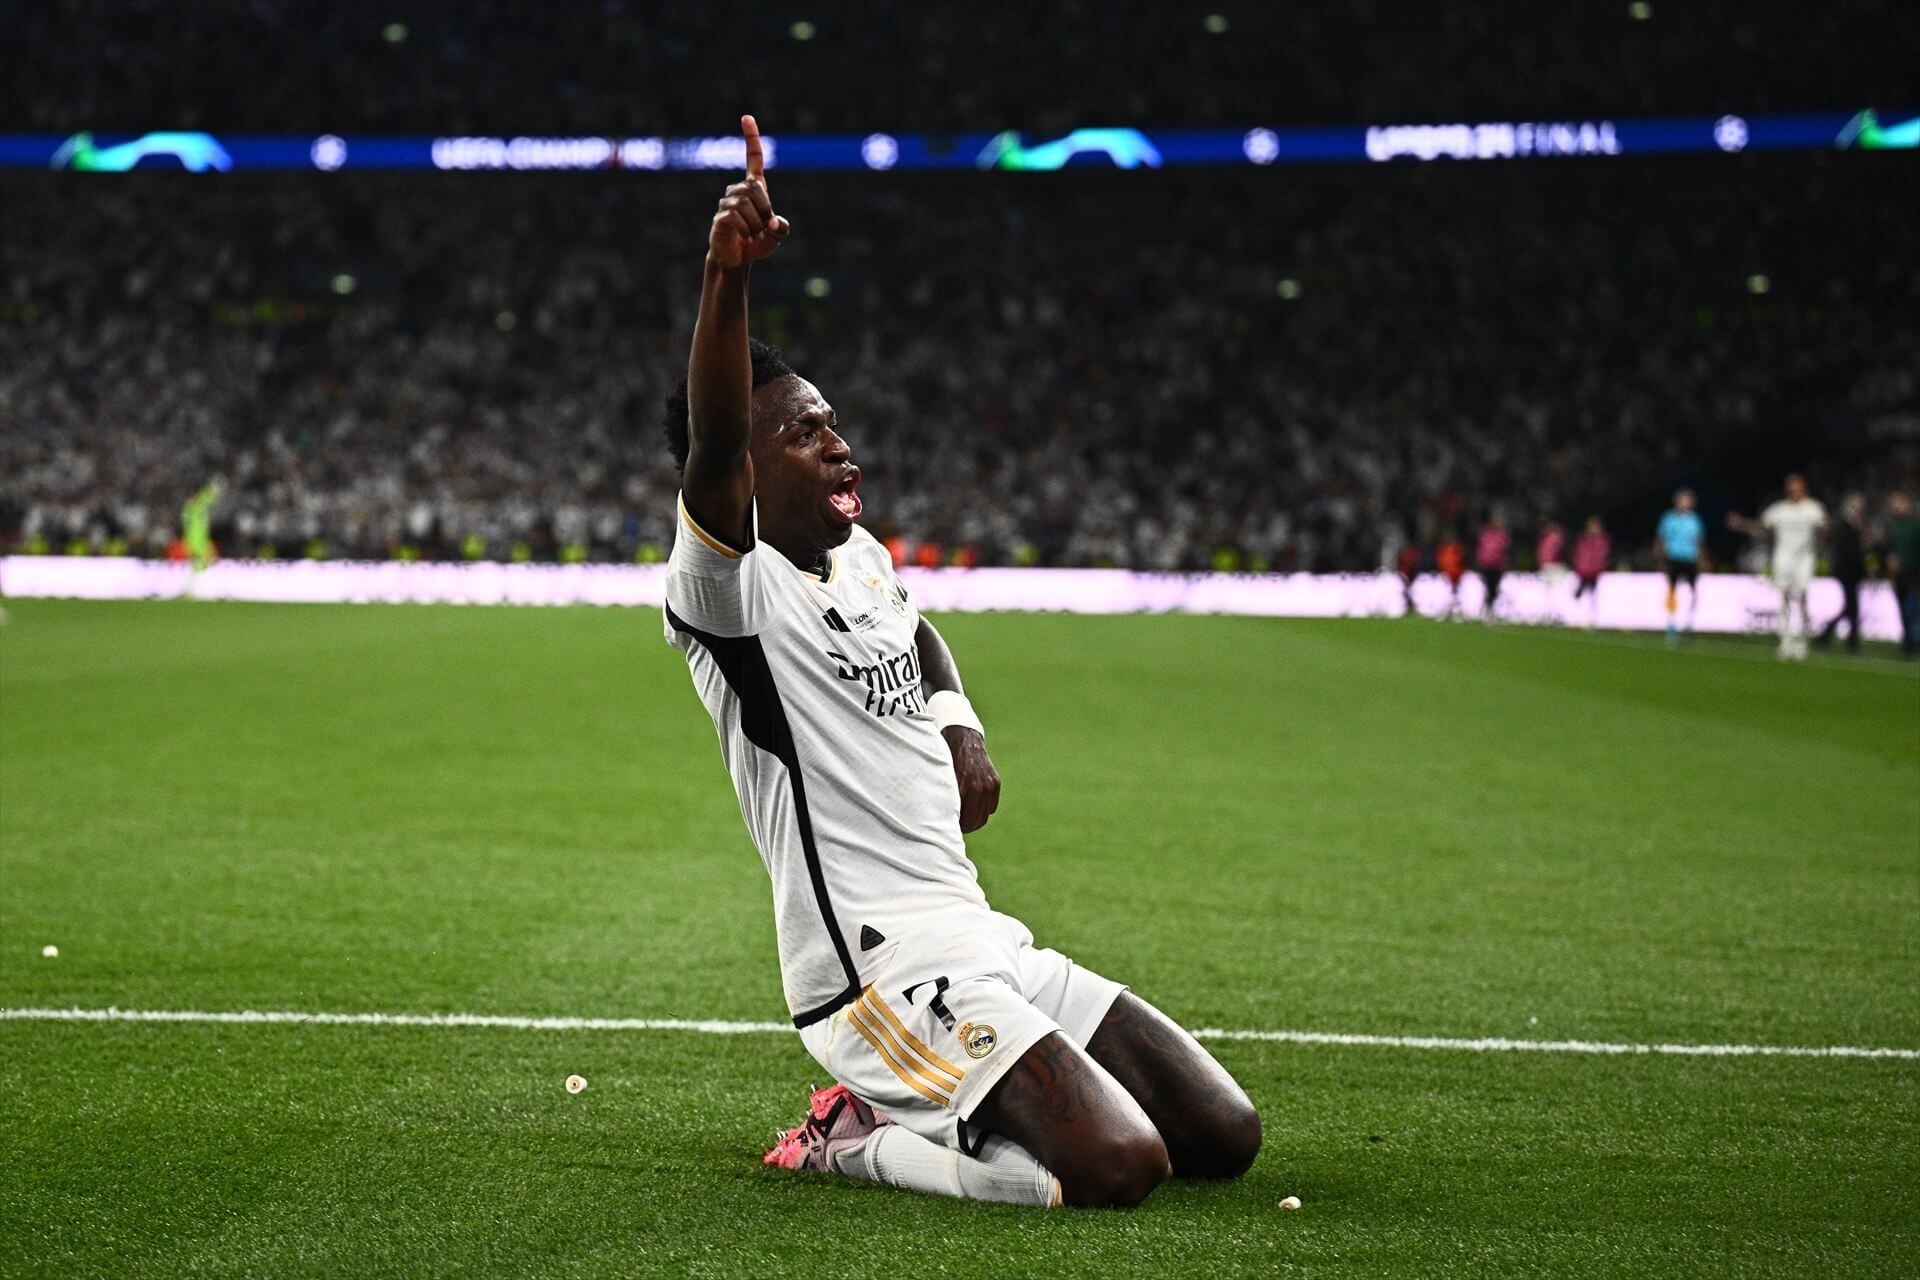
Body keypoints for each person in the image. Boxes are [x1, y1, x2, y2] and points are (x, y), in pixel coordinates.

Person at [658, 117, 1259, 1210]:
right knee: (1117, 1168)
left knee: (1225, 1133)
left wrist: (958, 722)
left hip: (981, 938)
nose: (842, 445)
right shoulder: (733, 597)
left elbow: (920, 631)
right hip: (879, 976)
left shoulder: (865, 557)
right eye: (804, 434)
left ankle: (939, 1108)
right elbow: (708, 448)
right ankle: (855, 1135)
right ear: (748, 470)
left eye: (836, 424)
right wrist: (724, 274)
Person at [1728, 473, 1827, 661]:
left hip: (1804, 559)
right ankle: (1786, 640)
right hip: (1783, 558)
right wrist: (1741, 524)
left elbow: (1824, 529)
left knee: (1802, 598)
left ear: (1804, 489)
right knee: (1783, 598)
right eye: (1790, 488)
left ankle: (1802, 639)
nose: (1793, 491)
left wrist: (1822, 541)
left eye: (1796, 488)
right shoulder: (1779, 510)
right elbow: (1761, 526)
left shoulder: (1813, 509)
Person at [1813, 495, 1867, 653]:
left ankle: (1829, 634)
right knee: (1852, 606)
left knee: (1850, 606)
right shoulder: (1844, 527)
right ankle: (1850, 640)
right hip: (1846, 572)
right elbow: (1850, 551)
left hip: (1851, 572)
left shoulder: (1852, 526)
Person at [1655, 489, 1705, 644]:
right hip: (1673, 558)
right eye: (1683, 500)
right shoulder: (1668, 518)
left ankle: (1689, 623)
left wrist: (1701, 559)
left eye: (1688, 500)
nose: (1686, 503)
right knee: (1672, 591)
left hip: (1690, 559)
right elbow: (1661, 539)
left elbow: (1699, 541)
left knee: (1692, 593)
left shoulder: (1695, 520)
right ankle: (1671, 625)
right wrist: (1661, 560)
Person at [1887, 491, 1920, 657]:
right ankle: (1908, 640)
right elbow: (1889, 548)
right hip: (1898, 575)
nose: (1896, 507)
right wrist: (1890, 560)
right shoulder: (1894, 526)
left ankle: (1914, 641)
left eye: (1900, 503)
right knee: (1903, 608)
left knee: (1912, 608)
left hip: (1913, 574)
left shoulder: (1915, 525)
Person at [1571, 516, 1610, 628]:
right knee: (1579, 596)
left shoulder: (1602, 540)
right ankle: (1578, 619)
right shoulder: (1583, 539)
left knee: (1593, 596)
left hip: (1594, 573)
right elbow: (1578, 555)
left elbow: (1602, 556)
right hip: (1582, 572)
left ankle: (1592, 620)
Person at [1473, 512, 1511, 623]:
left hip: (1497, 566)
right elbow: (1481, 549)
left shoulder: (1503, 535)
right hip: (1486, 565)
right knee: (1487, 589)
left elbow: (1505, 551)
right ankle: (1486, 611)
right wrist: (1479, 560)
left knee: (1494, 589)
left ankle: (1490, 611)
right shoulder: (1486, 533)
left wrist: (1505, 562)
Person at [1536, 519, 1568, 624]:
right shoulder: (1544, 538)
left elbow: (1563, 551)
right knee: (1547, 592)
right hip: (1546, 567)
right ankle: (1548, 615)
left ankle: (1557, 614)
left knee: (1557, 591)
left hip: (1556, 567)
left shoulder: (1558, 538)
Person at [1434, 532, 1467, 619]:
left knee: (1456, 595)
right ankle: (1445, 612)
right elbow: (1440, 562)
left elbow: (1462, 561)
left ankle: (1456, 613)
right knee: (1445, 595)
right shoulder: (1443, 549)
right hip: (1446, 576)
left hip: (1456, 576)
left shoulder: (1457, 549)